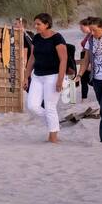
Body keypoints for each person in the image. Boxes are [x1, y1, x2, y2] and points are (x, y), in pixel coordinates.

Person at [21, 13, 68, 143]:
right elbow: (32, 58)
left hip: (53, 76)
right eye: (35, 24)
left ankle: (53, 137)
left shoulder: (57, 38)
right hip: (37, 76)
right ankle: (54, 123)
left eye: (38, 24)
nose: (35, 26)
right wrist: (26, 77)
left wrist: (60, 79)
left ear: (47, 24)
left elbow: (63, 60)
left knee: (50, 107)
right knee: (32, 106)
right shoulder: (36, 38)